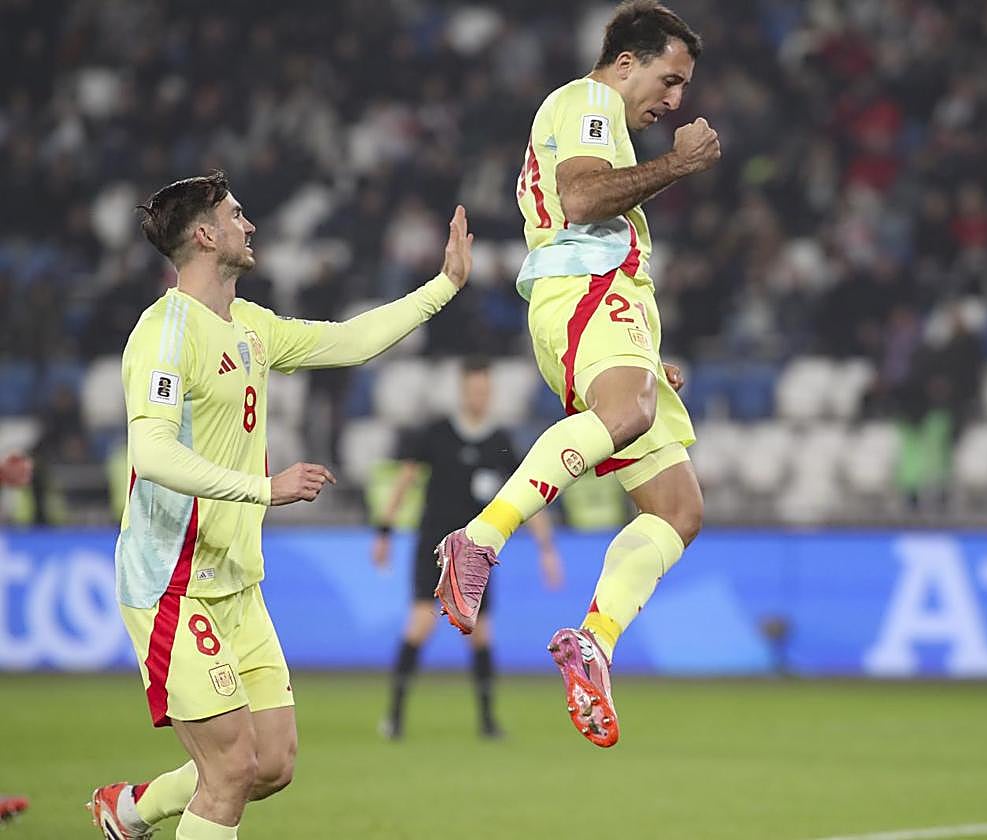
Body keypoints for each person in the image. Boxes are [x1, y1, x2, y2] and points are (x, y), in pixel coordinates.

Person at [88, 171, 473, 840]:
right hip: (172, 585)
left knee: (271, 763)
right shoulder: (165, 333)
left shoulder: (251, 326)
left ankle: (130, 810)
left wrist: (442, 288)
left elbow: (349, 343)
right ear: (207, 235)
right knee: (232, 768)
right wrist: (268, 489)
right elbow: (149, 454)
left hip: (237, 582)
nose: (251, 225)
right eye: (237, 215)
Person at [431, 0, 719, 748]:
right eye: (670, 78)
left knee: (678, 510)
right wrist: (680, 165)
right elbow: (583, 198)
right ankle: (482, 540)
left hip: (605, 303)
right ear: (626, 63)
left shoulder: (599, 116)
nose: (675, 99)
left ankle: (595, 639)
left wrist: (646, 360)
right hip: (589, 292)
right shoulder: (589, 99)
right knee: (626, 414)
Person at [371, 358, 563, 740]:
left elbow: (527, 494)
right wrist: (384, 531)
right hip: (434, 547)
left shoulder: (499, 442)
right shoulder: (437, 434)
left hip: (476, 553)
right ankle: (394, 716)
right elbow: (405, 481)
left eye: (485, 391)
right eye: (474, 390)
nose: (480, 397)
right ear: (463, 392)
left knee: (481, 634)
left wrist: (547, 548)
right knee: (421, 625)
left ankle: (488, 722)